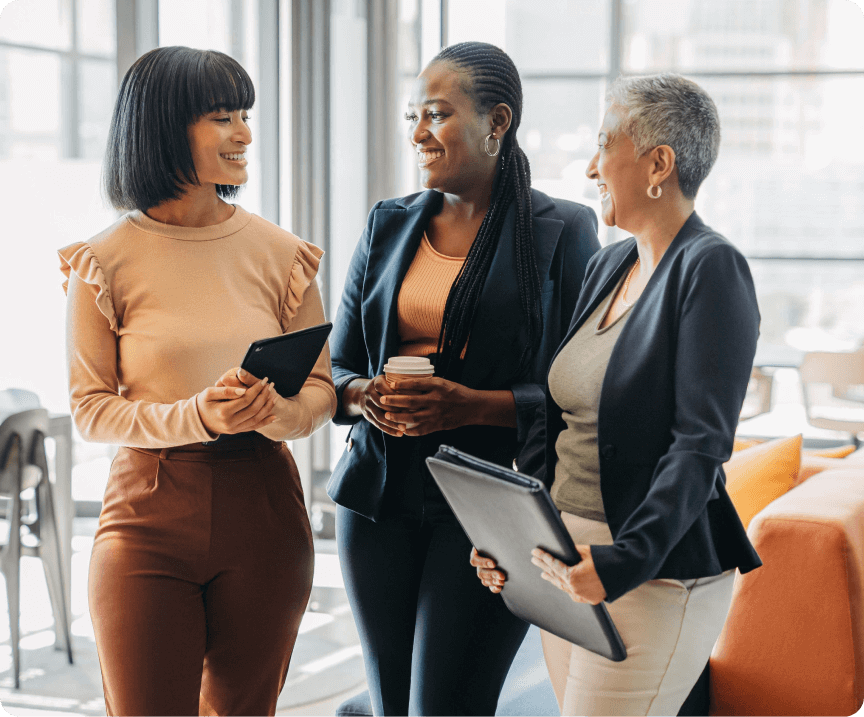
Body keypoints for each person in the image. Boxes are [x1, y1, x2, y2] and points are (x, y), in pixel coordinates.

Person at [472, 73, 763, 717]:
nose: (589, 167)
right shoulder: (610, 264)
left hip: (648, 571)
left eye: (604, 144)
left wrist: (623, 561)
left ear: (659, 163)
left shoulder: (710, 268)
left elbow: (700, 447)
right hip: (566, 560)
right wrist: (520, 536)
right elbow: (560, 422)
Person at [59, 47, 336, 716]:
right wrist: (198, 415)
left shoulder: (282, 253)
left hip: (264, 505)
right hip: (147, 512)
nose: (244, 133)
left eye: (244, 115)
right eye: (222, 117)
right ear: (161, 128)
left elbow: (322, 390)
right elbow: (91, 410)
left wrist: (278, 413)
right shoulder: (103, 261)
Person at [328, 41, 600, 716]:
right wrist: (365, 396)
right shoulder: (388, 223)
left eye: (437, 114)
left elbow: (580, 394)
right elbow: (335, 366)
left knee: (445, 706)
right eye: (411, 116)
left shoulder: (563, 229)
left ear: (496, 121)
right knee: (392, 705)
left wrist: (468, 405)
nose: (417, 132)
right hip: (377, 498)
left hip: (493, 511)